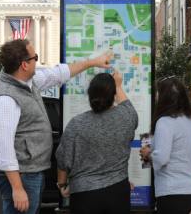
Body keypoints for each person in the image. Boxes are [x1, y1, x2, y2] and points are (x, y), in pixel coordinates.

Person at [0, 39, 111, 214]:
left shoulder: (26, 82)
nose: (37, 61)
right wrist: (17, 188)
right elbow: (4, 149)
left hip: (30, 173)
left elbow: (57, 74)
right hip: (21, 176)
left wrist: (93, 62)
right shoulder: (6, 100)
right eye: (35, 57)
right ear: (24, 64)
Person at [56, 69, 138, 214]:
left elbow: (63, 159)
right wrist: (117, 85)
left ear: (90, 96)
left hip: (84, 195)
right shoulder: (127, 116)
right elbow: (127, 105)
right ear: (113, 96)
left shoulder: (76, 123)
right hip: (117, 192)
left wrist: (62, 184)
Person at [139, 76, 191, 214]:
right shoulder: (190, 120)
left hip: (172, 191)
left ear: (162, 96)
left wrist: (148, 154)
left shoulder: (165, 122)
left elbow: (161, 158)